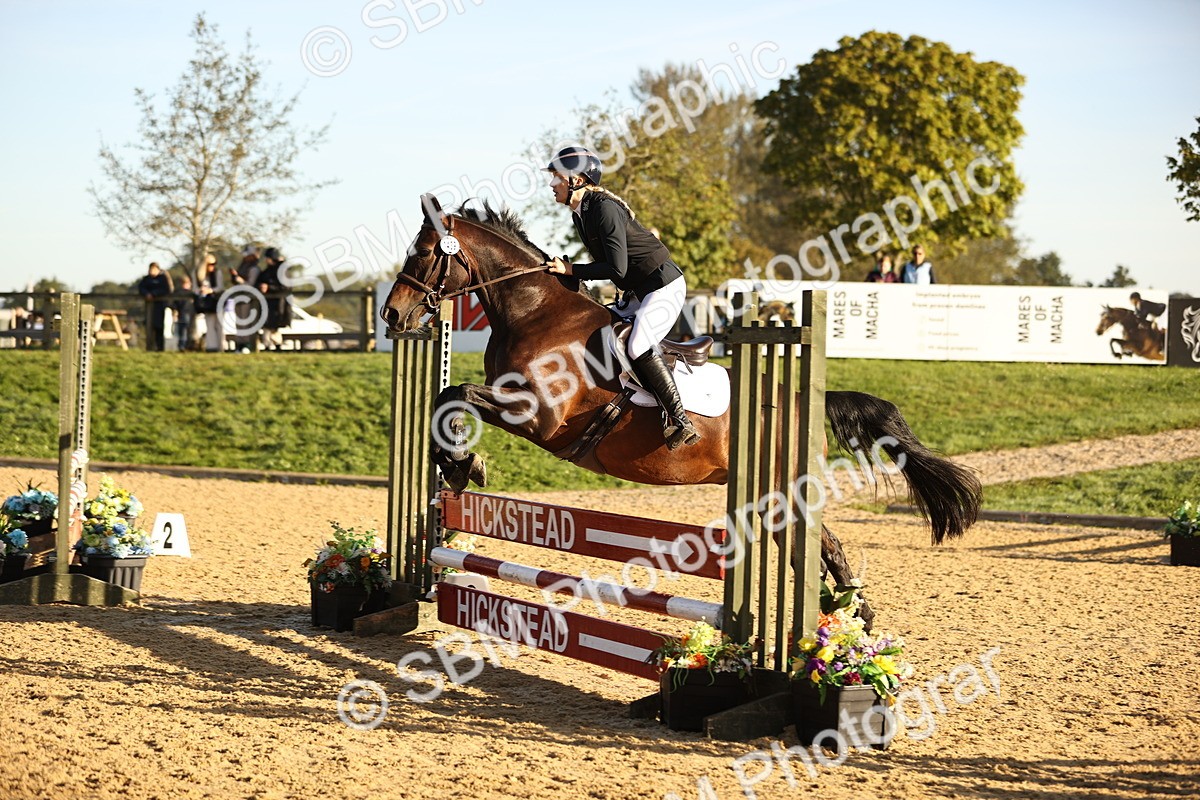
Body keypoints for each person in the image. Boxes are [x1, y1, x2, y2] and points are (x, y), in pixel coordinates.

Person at [542, 145, 699, 450]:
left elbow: (617, 267)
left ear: (576, 179)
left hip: (663, 286)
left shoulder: (602, 208)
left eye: (556, 177)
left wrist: (573, 269)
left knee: (638, 344)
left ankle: (680, 421)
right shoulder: (581, 213)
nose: (552, 184)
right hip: (638, 291)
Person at [256, 247, 293, 351]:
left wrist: (269, 287)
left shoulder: (282, 271)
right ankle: (270, 347)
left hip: (278, 305)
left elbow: (285, 287)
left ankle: (275, 347)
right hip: (268, 305)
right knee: (268, 328)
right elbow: (260, 280)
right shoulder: (268, 270)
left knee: (273, 329)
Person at [137, 262, 173, 351]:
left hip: (160, 306)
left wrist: (154, 294)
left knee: (159, 327)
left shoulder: (163, 279)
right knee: (149, 326)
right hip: (149, 307)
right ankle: (150, 347)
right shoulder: (146, 279)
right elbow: (141, 288)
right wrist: (147, 294)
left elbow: (166, 289)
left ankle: (160, 347)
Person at [197, 253, 224, 352]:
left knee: (219, 325)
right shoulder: (201, 275)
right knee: (210, 324)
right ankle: (211, 347)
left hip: (217, 301)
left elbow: (220, 287)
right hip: (208, 303)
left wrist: (210, 290)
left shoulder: (217, 273)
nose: (212, 267)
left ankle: (221, 346)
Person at [171, 276, 197, 350]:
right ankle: (185, 346)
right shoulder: (189, 293)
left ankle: (183, 345)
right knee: (186, 330)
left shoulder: (177, 293)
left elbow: (173, 304)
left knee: (182, 331)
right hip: (186, 313)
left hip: (183, 313)